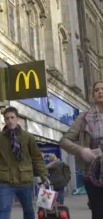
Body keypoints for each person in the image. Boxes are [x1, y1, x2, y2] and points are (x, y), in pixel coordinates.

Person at [0, 107, 48, 219]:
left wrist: (43, 176)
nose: (10, 121)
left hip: (25, 180)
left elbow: (37, 158)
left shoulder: (28, 137)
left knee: (28, 210)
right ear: (4, 120)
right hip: (5, 181)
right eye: (7, 118)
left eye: (12, 117)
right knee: (4, 210)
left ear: (17, 119)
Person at [60, 81, 103, 218]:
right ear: (92, 96)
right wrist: (81, 150)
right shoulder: (84, 118)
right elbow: (64, 140)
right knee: (98, 213)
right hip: (92, 173)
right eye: (97, 90)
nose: (100, 92)